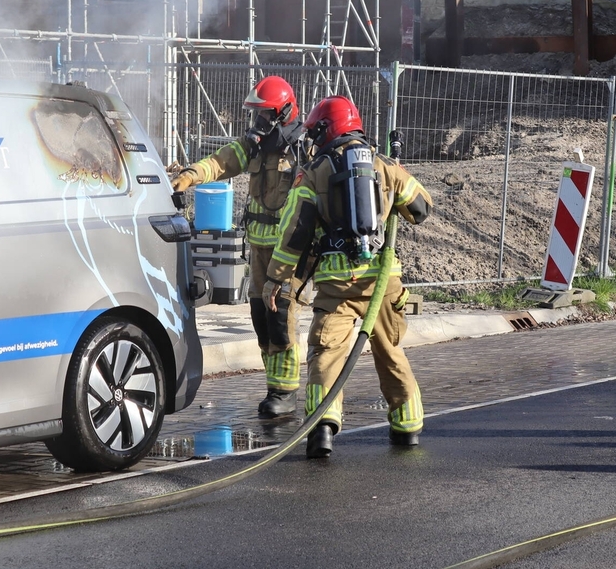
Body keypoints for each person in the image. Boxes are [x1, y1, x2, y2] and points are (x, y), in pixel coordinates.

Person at [263, 95, 433, 458]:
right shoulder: (383, 165)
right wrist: (393, 186)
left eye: (315, 132)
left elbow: (294, 232)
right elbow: (421, 209)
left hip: (336, 287)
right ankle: (407, 428)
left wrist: (275, 278)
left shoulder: (313, 173)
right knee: (390, 351)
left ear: (327, 130)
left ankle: (321, 430)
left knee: (326, 355)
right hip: (383, 284)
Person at [171, 75, 310, 418]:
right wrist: (189, 175)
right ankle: (273, 385)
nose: (257, 123)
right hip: (259, 252)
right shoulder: (256, 146)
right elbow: (221, 162)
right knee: (261, 318)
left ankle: (285, 392)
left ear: (283, 113)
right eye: (255, 115)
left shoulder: (303, 151)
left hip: (288, 254)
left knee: (281, 319)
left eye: (264, 115)